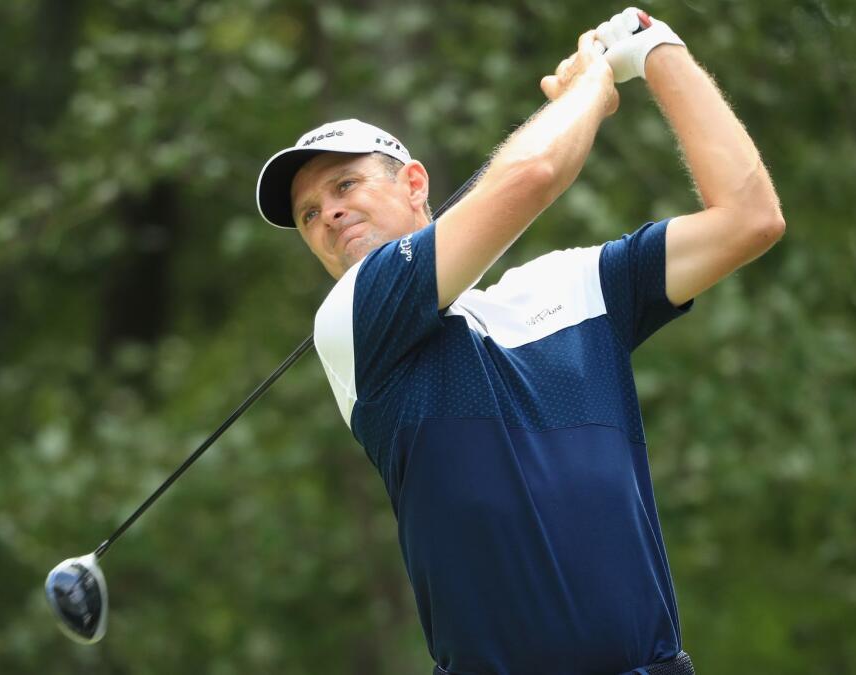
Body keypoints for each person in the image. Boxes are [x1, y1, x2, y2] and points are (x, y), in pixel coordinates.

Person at [255, 7, 783, 675]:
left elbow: (751, 218)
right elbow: (533, 174)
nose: (327, 213)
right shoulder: (352, 321)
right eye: (308, 214)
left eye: (345, 184)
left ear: (414, 184)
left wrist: (656, 48)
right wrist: (594, 82)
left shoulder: (573, 283)